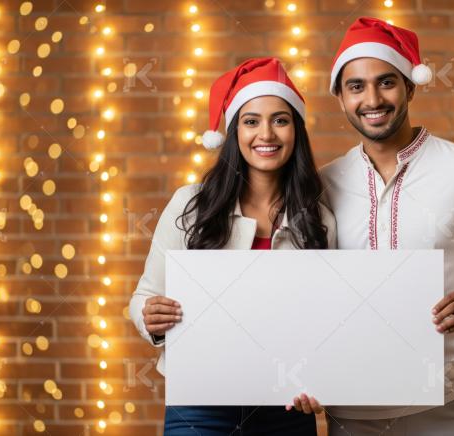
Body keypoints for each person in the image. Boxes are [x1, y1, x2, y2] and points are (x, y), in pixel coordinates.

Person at [292, 17, 454, 435]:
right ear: (340, 97)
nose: (372, 98)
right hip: (352, 408)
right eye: (356, 86)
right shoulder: (323, 185)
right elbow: (308, 291)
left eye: (386, 82)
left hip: (449, 399)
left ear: (410, 86)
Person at [128, 57, 336, 436]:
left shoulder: (317, 217)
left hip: (285, 408)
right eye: (251, 120)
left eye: (281, 120)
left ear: (296, 131)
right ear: (234, 131)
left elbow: (329, 319)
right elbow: (145, 296)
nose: (266, 134)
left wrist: (320, 378)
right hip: (201, 404)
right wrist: (150, 317)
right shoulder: (191, 204)